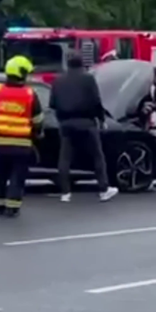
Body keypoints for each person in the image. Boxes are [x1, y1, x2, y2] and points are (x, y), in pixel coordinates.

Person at [49, 51, 117, 203]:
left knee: (65, 158)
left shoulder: (58, 80)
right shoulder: (88, 79)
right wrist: (101, 119)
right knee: (97, 156)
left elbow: (52, 104)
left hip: (65, 123)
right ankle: (103, 189)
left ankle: (65, 193)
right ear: (82, 64)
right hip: (86, 122)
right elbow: (96, 101)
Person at [0, 56, 44, 218]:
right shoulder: (30, 94)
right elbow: (38, 121)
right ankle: (12, 207)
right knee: (17, 177)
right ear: (21, 74)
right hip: (22, 145)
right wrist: (37, 135)